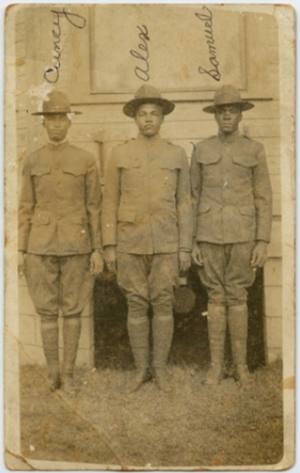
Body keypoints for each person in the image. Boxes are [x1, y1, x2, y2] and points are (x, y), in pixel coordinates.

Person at [102, 85, 193, 393]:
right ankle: (141, 371)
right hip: (130, 242)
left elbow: (184, 203)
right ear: (135, 118)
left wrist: (184, 246)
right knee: (136, 304)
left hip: (166, 243)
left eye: (155, 113)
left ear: (163, 118)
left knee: (164, 304)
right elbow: (109, 201)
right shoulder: (119, 154)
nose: (149, 119)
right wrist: (110, 246)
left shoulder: (177, 154)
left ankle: (161, 370)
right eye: (143, 114)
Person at [18, 90, 103, 394]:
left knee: (73, 310)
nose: (56, 125)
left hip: (76, 246)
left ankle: (67, 373)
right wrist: (20, 249)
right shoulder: (33, 160)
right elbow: (25, 207)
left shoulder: (85, 160)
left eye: (61, 119)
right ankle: (52, 373)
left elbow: (94, 207)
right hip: (40, 246)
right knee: (45, 311)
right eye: (51, 119)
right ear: (44, 124)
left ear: (69, 122)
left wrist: (97, 249)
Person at [190, 84, 272, 386]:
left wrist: (262, 240)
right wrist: (194, 241)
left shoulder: (254, 149)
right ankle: (215, 367)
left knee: (238, 297)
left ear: (239, 115)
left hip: (242, 235)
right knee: (215, 297)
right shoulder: (201, 149)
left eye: (232, 111)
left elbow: (263, 196)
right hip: (209, 235)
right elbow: (193, 197)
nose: (227, 116)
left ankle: (240, 366)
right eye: (222, 111)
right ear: (215, 116)